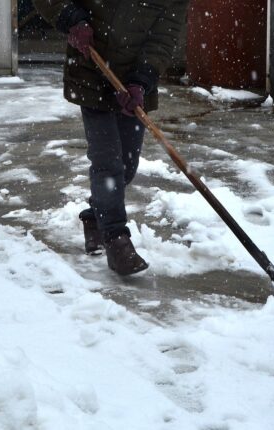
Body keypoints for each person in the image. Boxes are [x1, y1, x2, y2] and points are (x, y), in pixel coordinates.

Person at [32, 0, 188, 275]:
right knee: (108, 163)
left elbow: (165, 35)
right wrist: (71, 17)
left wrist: (142, 79)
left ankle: (95, 217)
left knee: (126, 166)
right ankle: (117, 240)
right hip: (91, 71)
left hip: (133, 84)